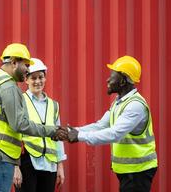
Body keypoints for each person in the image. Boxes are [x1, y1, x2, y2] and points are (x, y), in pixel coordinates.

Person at [0, 43, 67, 192]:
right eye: (26, 65)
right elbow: (20, 124)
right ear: (14, 62)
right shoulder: (8, 86)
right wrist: (52, 131)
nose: (27, 70)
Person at [68, 56, 158, 192]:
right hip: (129, 172)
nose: (108, 80)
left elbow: (115, 133)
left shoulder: (135, 105)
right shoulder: (119, 102)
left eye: (112, 76)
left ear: (122, 81)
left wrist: (79, 136)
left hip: (138, 172)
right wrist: (72, 131)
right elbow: (101, 125)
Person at [13, 58, 66, 192]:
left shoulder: (54, 105)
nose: (37, 81)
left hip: (49, 164)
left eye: (41, 77)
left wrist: (60, 166)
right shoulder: (21, 101)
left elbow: (58, 138)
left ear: (45, 78)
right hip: (27, 162)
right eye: (33, 78)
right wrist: (15, 166)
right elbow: (14, 134)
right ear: (26, 80)